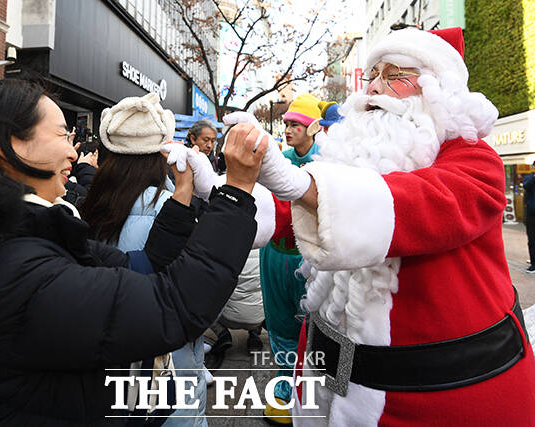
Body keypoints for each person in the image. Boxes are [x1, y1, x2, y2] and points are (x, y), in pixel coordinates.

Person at [0, 79, 268, 426]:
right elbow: (174, 307)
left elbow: (141, 265)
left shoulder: (11, 232)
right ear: (6, 144)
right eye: (61, 133)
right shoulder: (11, 269)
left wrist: (183, 198)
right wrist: (236, 190)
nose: (74, 149)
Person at [224, 27, 535, 426]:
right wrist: (223, 196)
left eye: (395, 76)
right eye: (373, 75)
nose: (373, 88)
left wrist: (304, 184)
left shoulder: (475, 158)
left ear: (435, 90)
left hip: (431, 396)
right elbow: (295, 213)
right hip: (329, 379)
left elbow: (425, 203)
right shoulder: (349, 160)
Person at [80, 93, 209, 425]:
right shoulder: (178, 209)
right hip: (168, 375)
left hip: (104, 365)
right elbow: (204, 302)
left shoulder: (87, 207)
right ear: (163, 154)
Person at [257, 94, 338, 424]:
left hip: (311, 259)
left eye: (296, 124)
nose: (288, 129)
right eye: (286, 123)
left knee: (315, 324)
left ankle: (317, 390)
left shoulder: (330, 162)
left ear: (313, 128)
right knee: (278, 321)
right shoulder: (277, 159)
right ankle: (284, 385)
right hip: (274, 255)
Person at [524, 165, 535, 273]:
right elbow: (526, 186)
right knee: (531, 239)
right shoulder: (529, 177)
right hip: (531, 213)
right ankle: (533, 263)